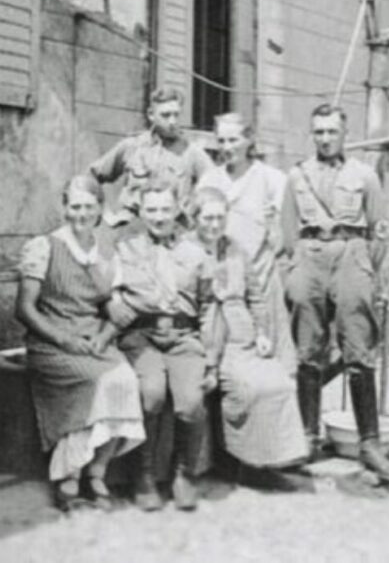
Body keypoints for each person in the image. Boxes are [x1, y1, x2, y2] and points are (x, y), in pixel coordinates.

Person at [282, 103, 389, 481]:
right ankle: (307, 436)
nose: (326, 138)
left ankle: (369, 442)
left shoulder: (364, 175)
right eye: (319, 132)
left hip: (352, 254)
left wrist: (365, 271)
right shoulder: (297, 176)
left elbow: (379, 229)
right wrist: (296, 267)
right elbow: (287, 232)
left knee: (358, 348)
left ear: (345, 134)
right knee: (307, 349)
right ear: (311, 134)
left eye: (332, 131)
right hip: (310, 256)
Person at [15, 175, 145, 512]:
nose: (81, 214)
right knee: (93, 383)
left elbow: (109, 305)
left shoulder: (104, 252)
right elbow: (25, 308)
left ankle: (98, 472)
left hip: (93, 340)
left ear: (99, 209)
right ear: (64, 208)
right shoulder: (43, 247)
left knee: (125, 381)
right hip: (51, 342)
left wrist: (103, 337)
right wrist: (63, 339)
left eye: (88, 207)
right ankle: (69, 474)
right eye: (75, 206)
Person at [107, 180, 215, 512]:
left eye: (165, 209)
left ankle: (185, 472)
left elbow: (210, 306)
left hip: (183, 339)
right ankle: (144, 476)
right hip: (142, 337)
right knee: (150, 394)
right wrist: (111, 300)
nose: (158, 216)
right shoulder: (125, 250)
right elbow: (107, 287)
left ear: (177, 210)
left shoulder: (196, 253)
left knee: (190, 402)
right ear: (140, 212)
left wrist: (210, 358)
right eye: (151, 209)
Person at [190, 187, 309, 470]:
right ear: (194, 218)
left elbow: (255, 296)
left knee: (280, 382)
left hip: (244, 335)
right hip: (208, 338)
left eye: (220, 217)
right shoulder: (185, 250)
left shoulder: (236, 249)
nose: (214, 225)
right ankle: (243, 459)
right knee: (251, 388)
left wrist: (263, 332)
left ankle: (275, 458)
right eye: (207, 218)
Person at [197, 112, 296, 374]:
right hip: (221, 282)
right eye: (221, 140)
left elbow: (286, 233)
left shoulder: (272, 179)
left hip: (261, 278)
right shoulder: (210, 179)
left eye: (233, 140)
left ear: (249, 139)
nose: (227, 147)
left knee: (268, 357)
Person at [89, 87, 214, 227]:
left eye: (176, 115)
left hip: (172, 232)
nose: (172, 121)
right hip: (133, 232)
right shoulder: (132, 146)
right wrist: (106, 214)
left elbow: (217, 187)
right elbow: (91, 176)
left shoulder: (192, 152)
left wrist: (193, 211)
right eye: (166, 115)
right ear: (151, 114)